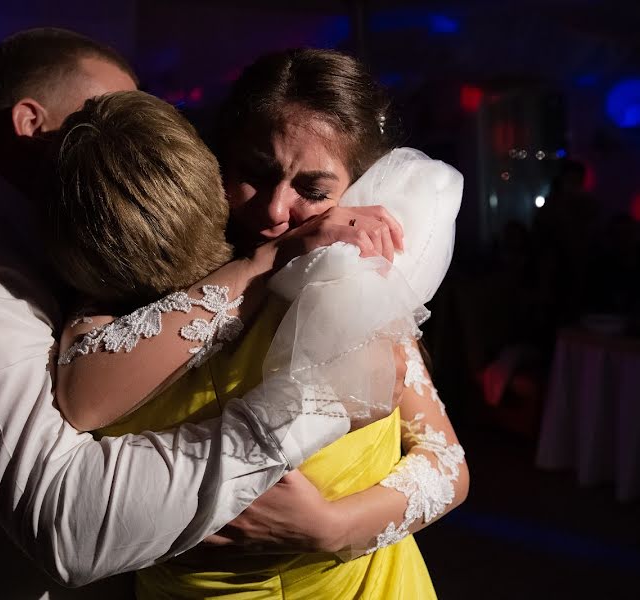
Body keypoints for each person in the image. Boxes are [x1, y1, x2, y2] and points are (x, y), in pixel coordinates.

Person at [0, 29, 405, 599]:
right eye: (101, 108)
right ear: (29, 122)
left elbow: (438, 453)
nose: (127, 125)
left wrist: (340, 525)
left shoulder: (132, 243)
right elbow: (67, 519)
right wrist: (320, 407)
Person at [49, 50, 467, 598]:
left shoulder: (361, 287)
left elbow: (446, 465)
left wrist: (330, 529)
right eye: (255, 174)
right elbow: (83, 398)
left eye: (312, 191)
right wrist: (263, 265)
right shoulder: (145, 262)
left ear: (357, 190)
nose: (274, 210)